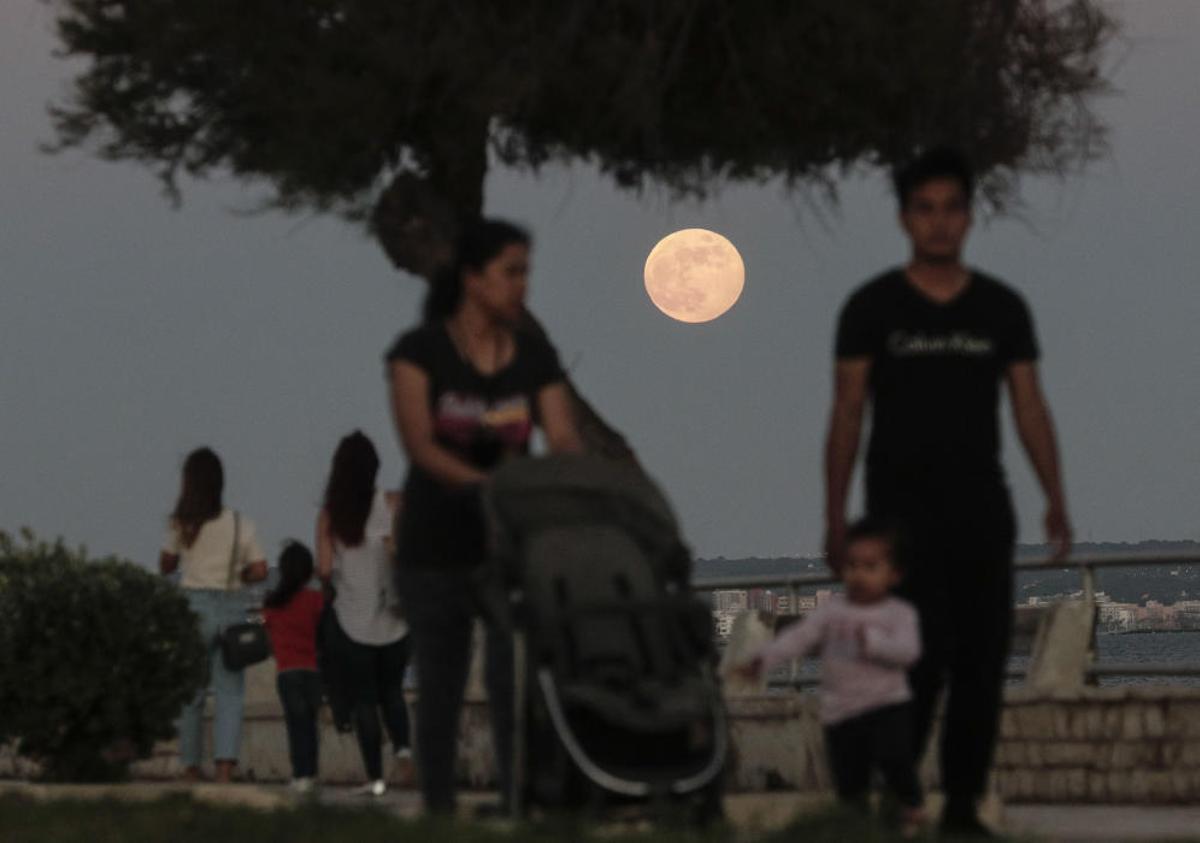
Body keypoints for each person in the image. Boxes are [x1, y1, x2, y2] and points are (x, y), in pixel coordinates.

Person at [824, 147, 1072, 837]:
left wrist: (1055, 495)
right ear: (907, 218)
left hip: (981, 512)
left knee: (981, 664)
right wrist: (835, 516)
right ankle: (896, 799)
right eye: (925, 209)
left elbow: (1028, 406)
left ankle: (962, 807)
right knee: (911, 667)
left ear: (968, 216)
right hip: (899, 518)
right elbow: (847, 413)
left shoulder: (1000, 308)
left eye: (951, 209)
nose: (939, 223)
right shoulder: (873, 307)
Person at [386, 217, 583, 814]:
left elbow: (564, 437)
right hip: (434, 544)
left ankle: (519, 804)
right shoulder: (419, 353)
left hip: (509, 548)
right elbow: (422, 446)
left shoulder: (534, 357)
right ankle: (441, 812)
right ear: (473, 279)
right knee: (442, 686)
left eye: (527, 272)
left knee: (514, 682)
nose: (523, 284)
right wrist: (491, 485)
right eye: (511, 272)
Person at [738, 519, 924, 836]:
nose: (859, 575)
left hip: (886, 705)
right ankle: (856, 823)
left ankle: (910, 807)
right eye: (852, 566)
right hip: (841, 711)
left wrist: (875, 644)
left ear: (894, 575)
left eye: (870, 567)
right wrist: (764, 659)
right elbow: (798, 638)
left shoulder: (898, 614)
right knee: (849, 776)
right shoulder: (832, 613)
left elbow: (908, 652)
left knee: (896, 759)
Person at [159, 447, 268, 783]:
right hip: (231, 609)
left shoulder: (183, 522)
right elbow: (261, 569)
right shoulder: (239, 523)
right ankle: (224, 768)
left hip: (193, 609)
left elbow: (166, 564)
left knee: (191, 693)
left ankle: (190, 766)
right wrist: (243, 576)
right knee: (230, 693)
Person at [316, 431, 412, 797]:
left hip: (352, 621)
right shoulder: (393, 503)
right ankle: (404, 750)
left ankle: (375, 779)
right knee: (393, 692)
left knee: (364, 701)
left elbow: (324, 570)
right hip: (394, 620)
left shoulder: (330, 516)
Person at [262, 541, 325, 794]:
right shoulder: (315, 599)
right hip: (312, 671)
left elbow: (267, 638)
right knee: (310, 725)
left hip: (286, 672)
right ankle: (310, 773)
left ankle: (299, 774)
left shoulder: (272, 603)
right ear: (309, 571)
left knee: (295, 725)